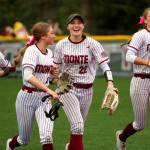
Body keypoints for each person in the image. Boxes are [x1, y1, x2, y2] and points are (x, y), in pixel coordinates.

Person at [53, 13, 116, 150]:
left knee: (78, 128)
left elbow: (105, 65)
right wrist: (54, 79)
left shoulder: (93, 44)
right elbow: (54, 69)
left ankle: (70, 147)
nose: (76, 25)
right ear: (68, 26)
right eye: (73, 23)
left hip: (87, 90)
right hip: (67, 88)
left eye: (79, 23)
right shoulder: (61, 45)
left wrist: (110, 83)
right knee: (77, 125)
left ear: (83, 25)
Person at [6, 22, 59, 150]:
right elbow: (28, 76)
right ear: (43, 36)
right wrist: (48, 90)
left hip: (44, 99)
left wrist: (52, 75)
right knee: (24, 139)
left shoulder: (50, 53)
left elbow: (48, 79)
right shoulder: (31, 51)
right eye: (51, 33)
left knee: (47, 136)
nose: (54, 35)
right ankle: (11, 144)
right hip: (26, 97)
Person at [116, 7, 150, 150]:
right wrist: (147, 62)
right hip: (141, 80)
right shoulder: (140, 35)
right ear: (146, 20)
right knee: (140, 125)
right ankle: (121, 137)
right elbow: (129, 56)